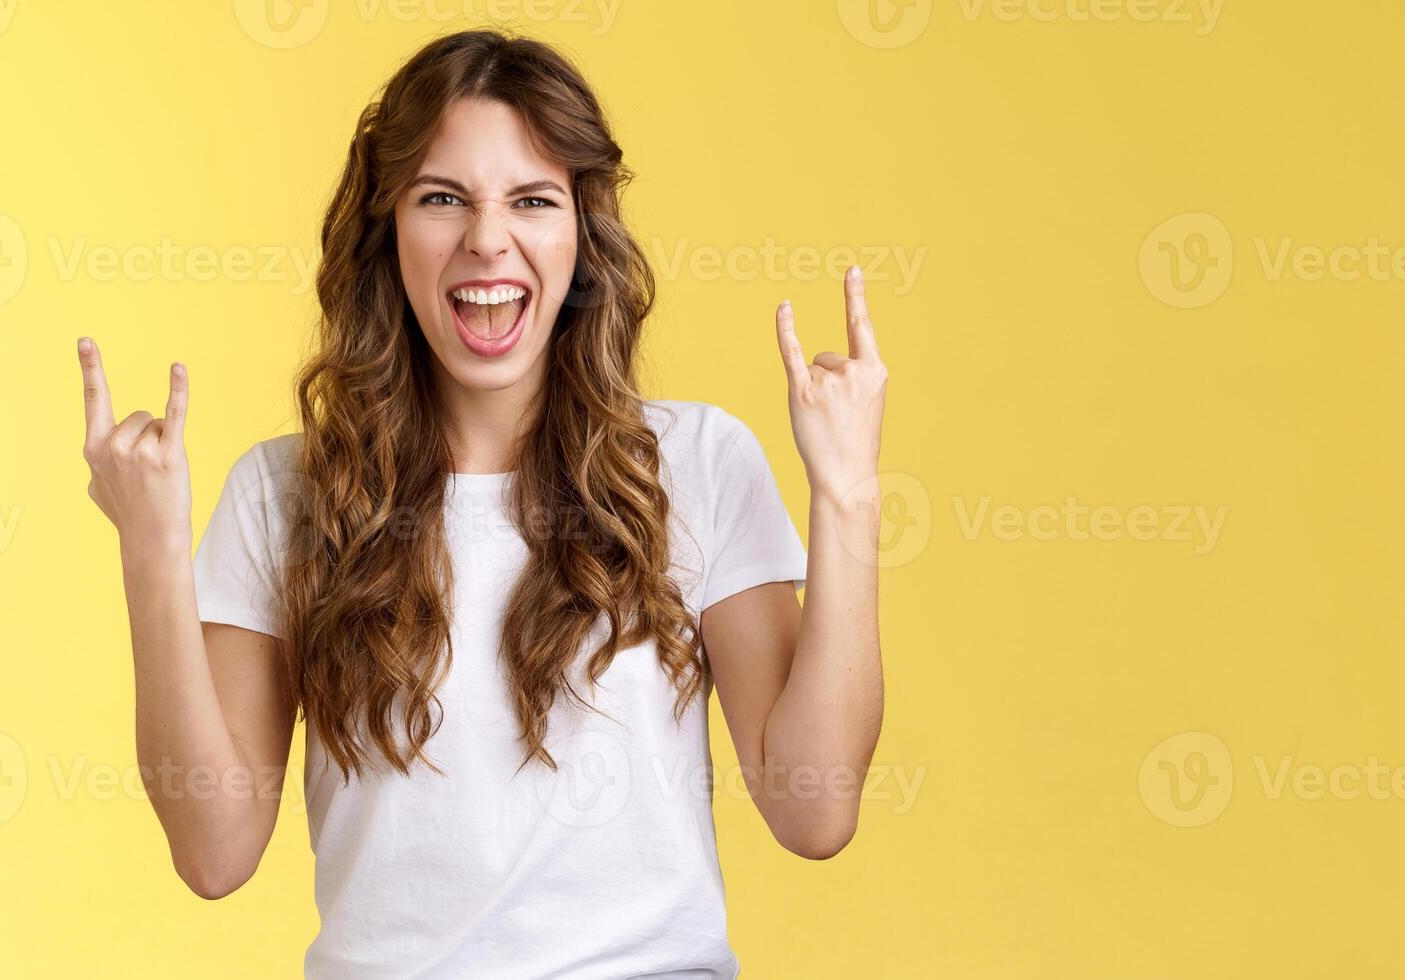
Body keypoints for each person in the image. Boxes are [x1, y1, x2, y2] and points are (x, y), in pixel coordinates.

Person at [74, 29, 888, 979]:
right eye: (442, 199)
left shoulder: (697, 463)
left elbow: (816, 810)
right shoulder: (284, 494)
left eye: (533, 201)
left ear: (582, 238)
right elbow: (214, 853)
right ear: (387, 232)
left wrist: (849, 494)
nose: (487, 239)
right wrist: (150, 553)